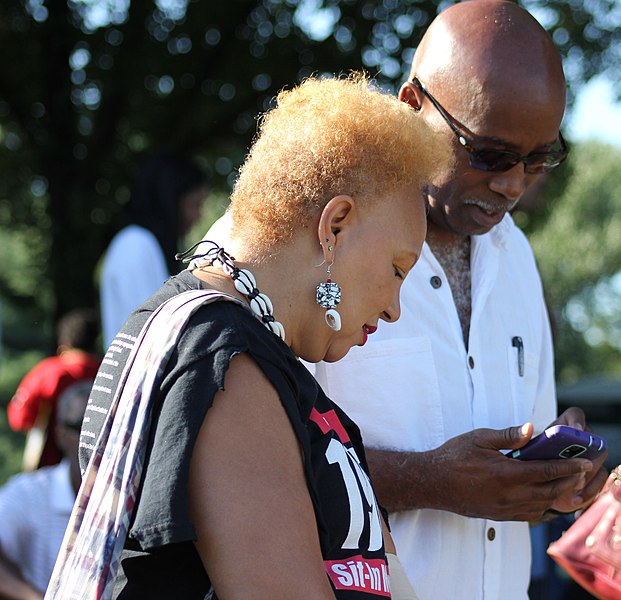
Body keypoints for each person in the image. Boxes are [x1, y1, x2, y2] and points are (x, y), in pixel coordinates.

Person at [46, 74, 451, 600]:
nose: (395, 309)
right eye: (399, 269)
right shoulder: (224, 362)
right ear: (335, 227)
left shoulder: (243, 349)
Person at [310, 2, 609, 599]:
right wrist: (429, 482)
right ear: (412, 106)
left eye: (538, 158)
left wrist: (549, 481)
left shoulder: (516, 256)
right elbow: (247, 462)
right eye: (490, 154)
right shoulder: (318, 239)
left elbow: (508, 487)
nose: (513, 184)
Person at [100, 150, 209, 348]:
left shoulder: (141, 244)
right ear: (171, 200)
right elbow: (150, 332)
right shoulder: (135, 245)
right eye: (195, 204)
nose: (198, 215)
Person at [0, 379, 92, 599]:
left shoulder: (137, 495)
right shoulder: (29, 493)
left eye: (106, 427)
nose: (94, 439)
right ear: (60, 434)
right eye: (82, 427)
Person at [7, 308, 100, 470]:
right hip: (100, 466)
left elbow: (19, 419)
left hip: (52, 467)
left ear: (63, 347)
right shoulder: (109, 371)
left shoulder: (48, 371)